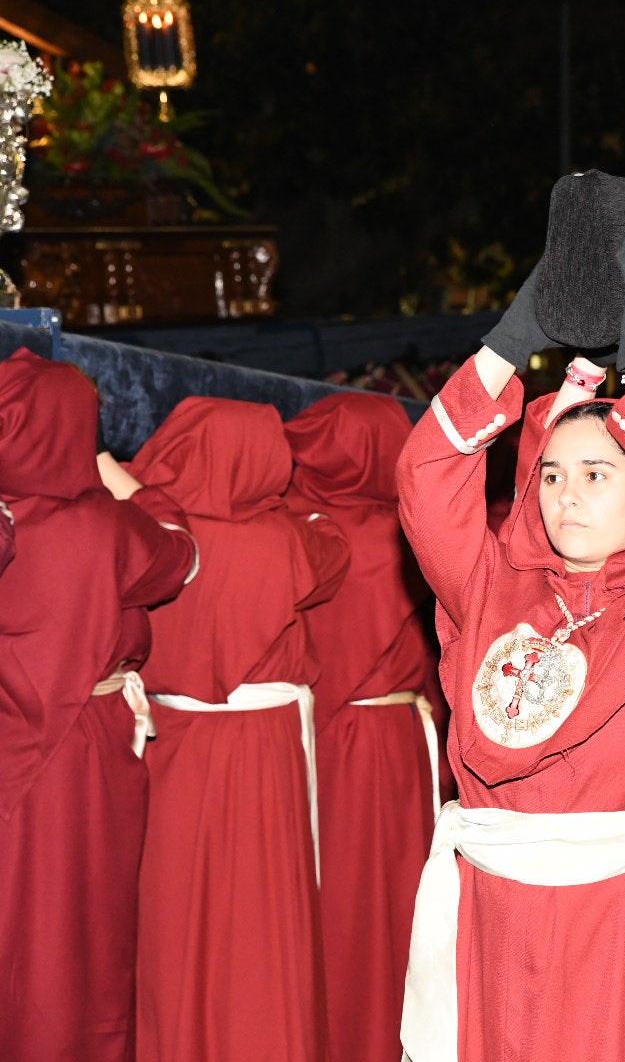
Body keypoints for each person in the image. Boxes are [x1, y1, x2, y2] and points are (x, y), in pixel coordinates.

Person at [396, 241, 625, 1062]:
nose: (567, 495)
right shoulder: (492, 588)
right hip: (501, 923)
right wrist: (509, 339)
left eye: (598, 475)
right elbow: (425, 479)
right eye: (553, 475)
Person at [131, 396, 351, 1062]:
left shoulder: (153, 537)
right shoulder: (295, 540)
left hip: (172, 746)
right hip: (266, 752)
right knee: (263, 927)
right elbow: (332, 550)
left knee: (172, 922)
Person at [0, 350, 197, 1062]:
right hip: (77, 761)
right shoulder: (100, 527)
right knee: (74, 946)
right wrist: (124, 483)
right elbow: (183, 559)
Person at [284, 392, 439, 1062]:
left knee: (332, 905)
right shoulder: (406, 530)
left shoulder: (298, 529)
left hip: (319, 742)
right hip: (394, 742)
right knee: (396, 909)